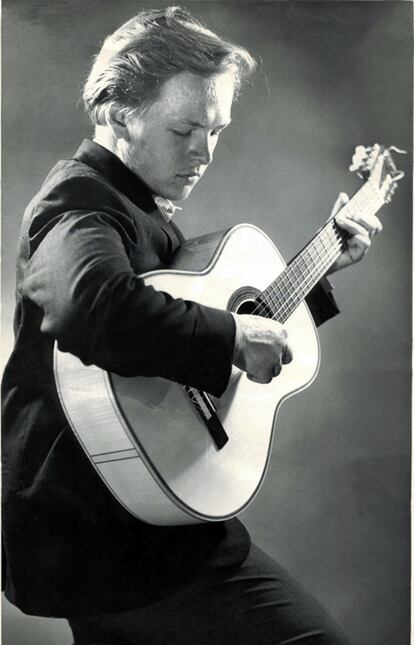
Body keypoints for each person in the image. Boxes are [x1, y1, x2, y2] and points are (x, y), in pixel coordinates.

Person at [2, 7, 382, 644]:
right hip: (105, 537)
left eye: (217, 130)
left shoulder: (135, 205)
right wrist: (232, 338)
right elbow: (93, 306)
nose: (204, 153)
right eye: (185, 129)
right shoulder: (80, 202)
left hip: (125, 520)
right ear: (119, 113)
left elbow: (211, 324)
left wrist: (319, 267)